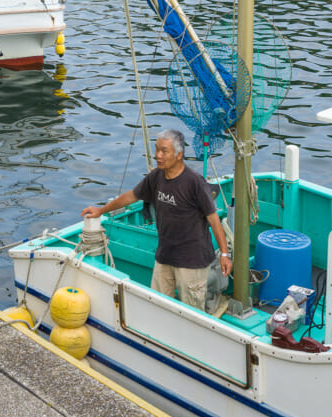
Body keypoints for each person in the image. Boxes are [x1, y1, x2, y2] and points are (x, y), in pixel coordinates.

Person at [82, 129, 231, 312]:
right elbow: (131, 196)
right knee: (157, 305)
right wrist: (101, 210)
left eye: (164, 151)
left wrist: (224, 254)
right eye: (157, 149)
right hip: (165, 256)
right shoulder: (156, 176)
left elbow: (214, 220)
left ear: (179, 155)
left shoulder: (195, 183)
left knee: (192, 313)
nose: (158, 155)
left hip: (193, 261)